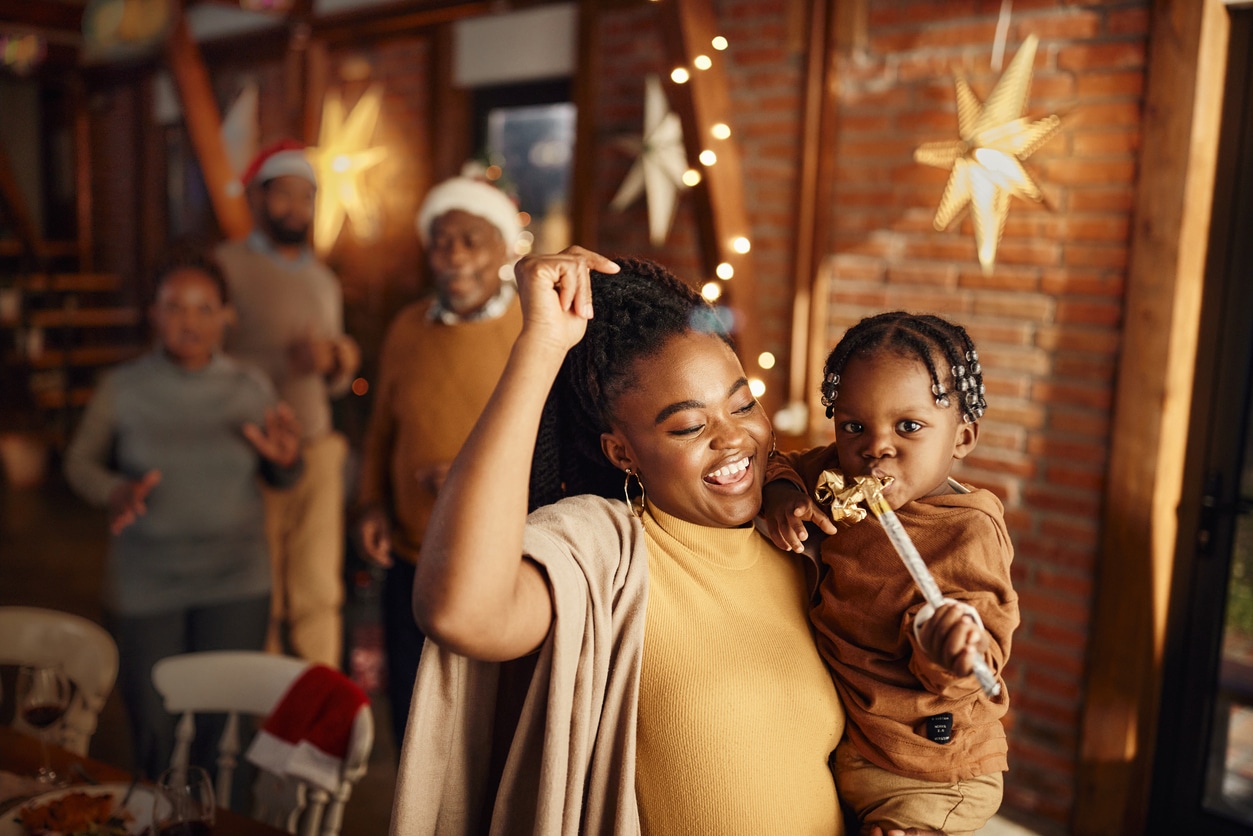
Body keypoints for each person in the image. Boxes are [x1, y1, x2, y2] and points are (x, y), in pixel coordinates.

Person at [387, 246, 848, 836]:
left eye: (743, 404)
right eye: (689, 425)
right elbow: (460, 610)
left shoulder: (800, 541)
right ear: (621, 452)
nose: (734, 439)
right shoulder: (608, 553)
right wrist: (542, 347)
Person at [762, 311, 1019, 836]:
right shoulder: (834, 473)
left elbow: (981, 645)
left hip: (929, 767)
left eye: (909, 427)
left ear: (962, 438)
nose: (876, 447)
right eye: (855, 426)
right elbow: (773, 461)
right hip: (851, 739)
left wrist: (948, 644)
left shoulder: (967, 529)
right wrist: (782, 492)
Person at [64, 249, 302, 781]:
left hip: (236, 582)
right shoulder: (122, 388)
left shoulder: (250, 388)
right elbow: (79, 463)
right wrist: (115, 489)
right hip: (145, 584)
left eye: (203, 308)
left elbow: (282, 475)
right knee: (155, 732)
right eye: (174, 307)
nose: (188, 322)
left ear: (226, 315)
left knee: (223, 738)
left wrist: (287, 462)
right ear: (153, 312)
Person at [354, 175, 523, 755]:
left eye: (471, 240)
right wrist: (371, 501)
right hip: (409, 552)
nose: (454, 255)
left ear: (503, 249)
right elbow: (381, 428)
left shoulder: (533, 333)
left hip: (501, 562)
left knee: (487, 724)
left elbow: (552, 447)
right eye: (441, 241)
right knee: (412, 713)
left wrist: (468, 481)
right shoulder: (407, 327)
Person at [216, 140, 361, 668]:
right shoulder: (225, 268)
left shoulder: (324, 280)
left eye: (307, 198)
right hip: (247, 450)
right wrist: (279, 364)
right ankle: (266, 717)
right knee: (261, 590)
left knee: (319, 586)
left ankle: (318, 712)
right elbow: (204, 357)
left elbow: (338, 380)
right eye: (285, 196)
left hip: (317, 448)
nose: (297, 209)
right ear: (257, 198)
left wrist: (336, 361)